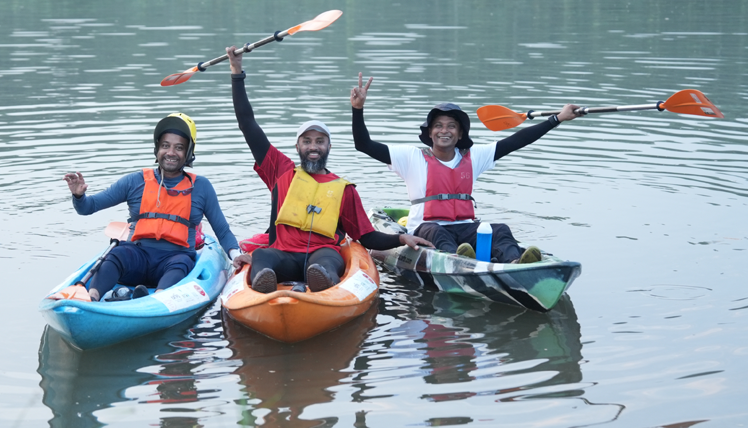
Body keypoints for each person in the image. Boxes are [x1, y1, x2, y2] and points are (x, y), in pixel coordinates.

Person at [226, 47, 432, 294]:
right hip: (283, 255)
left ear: (329, 146)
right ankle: (265, 284)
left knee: (324, 263)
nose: (313, 147)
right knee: (263, 258)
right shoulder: (281, 170)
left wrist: (401, 239)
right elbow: (247, 124)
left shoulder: (343, 190)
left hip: (322, 255)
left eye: (319, 141)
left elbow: (366, 237)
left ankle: (321, 284)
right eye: (307, 141)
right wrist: (236, 72)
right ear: (298, 146)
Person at [350, 73, 583, 263]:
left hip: (465, 228)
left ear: (460, 133)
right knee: (436, 230)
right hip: (426, 229)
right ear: (429, 132)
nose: (445, 131)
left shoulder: (474, 156)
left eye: (452, 126)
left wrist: (557, 118)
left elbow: (516, 141)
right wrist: (357, 109)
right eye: (438, 126)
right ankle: (459, 261)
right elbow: (363, 145)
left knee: (499, 229)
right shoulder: (411, 157)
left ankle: (515, 263)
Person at [63, 113, 240, 302]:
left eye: (179, 148)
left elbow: (222, 230)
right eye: (165, 146)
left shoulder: (201, 187)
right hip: (137, 255)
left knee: (181, 264)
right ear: (157, 149)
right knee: (117, 255)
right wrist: (79, 195)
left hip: (174, 258)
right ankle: (91, 298)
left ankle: (156, 299)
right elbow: (88, 208)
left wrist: (236, 255)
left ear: (188, 153)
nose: (171, 152)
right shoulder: (135, 181)